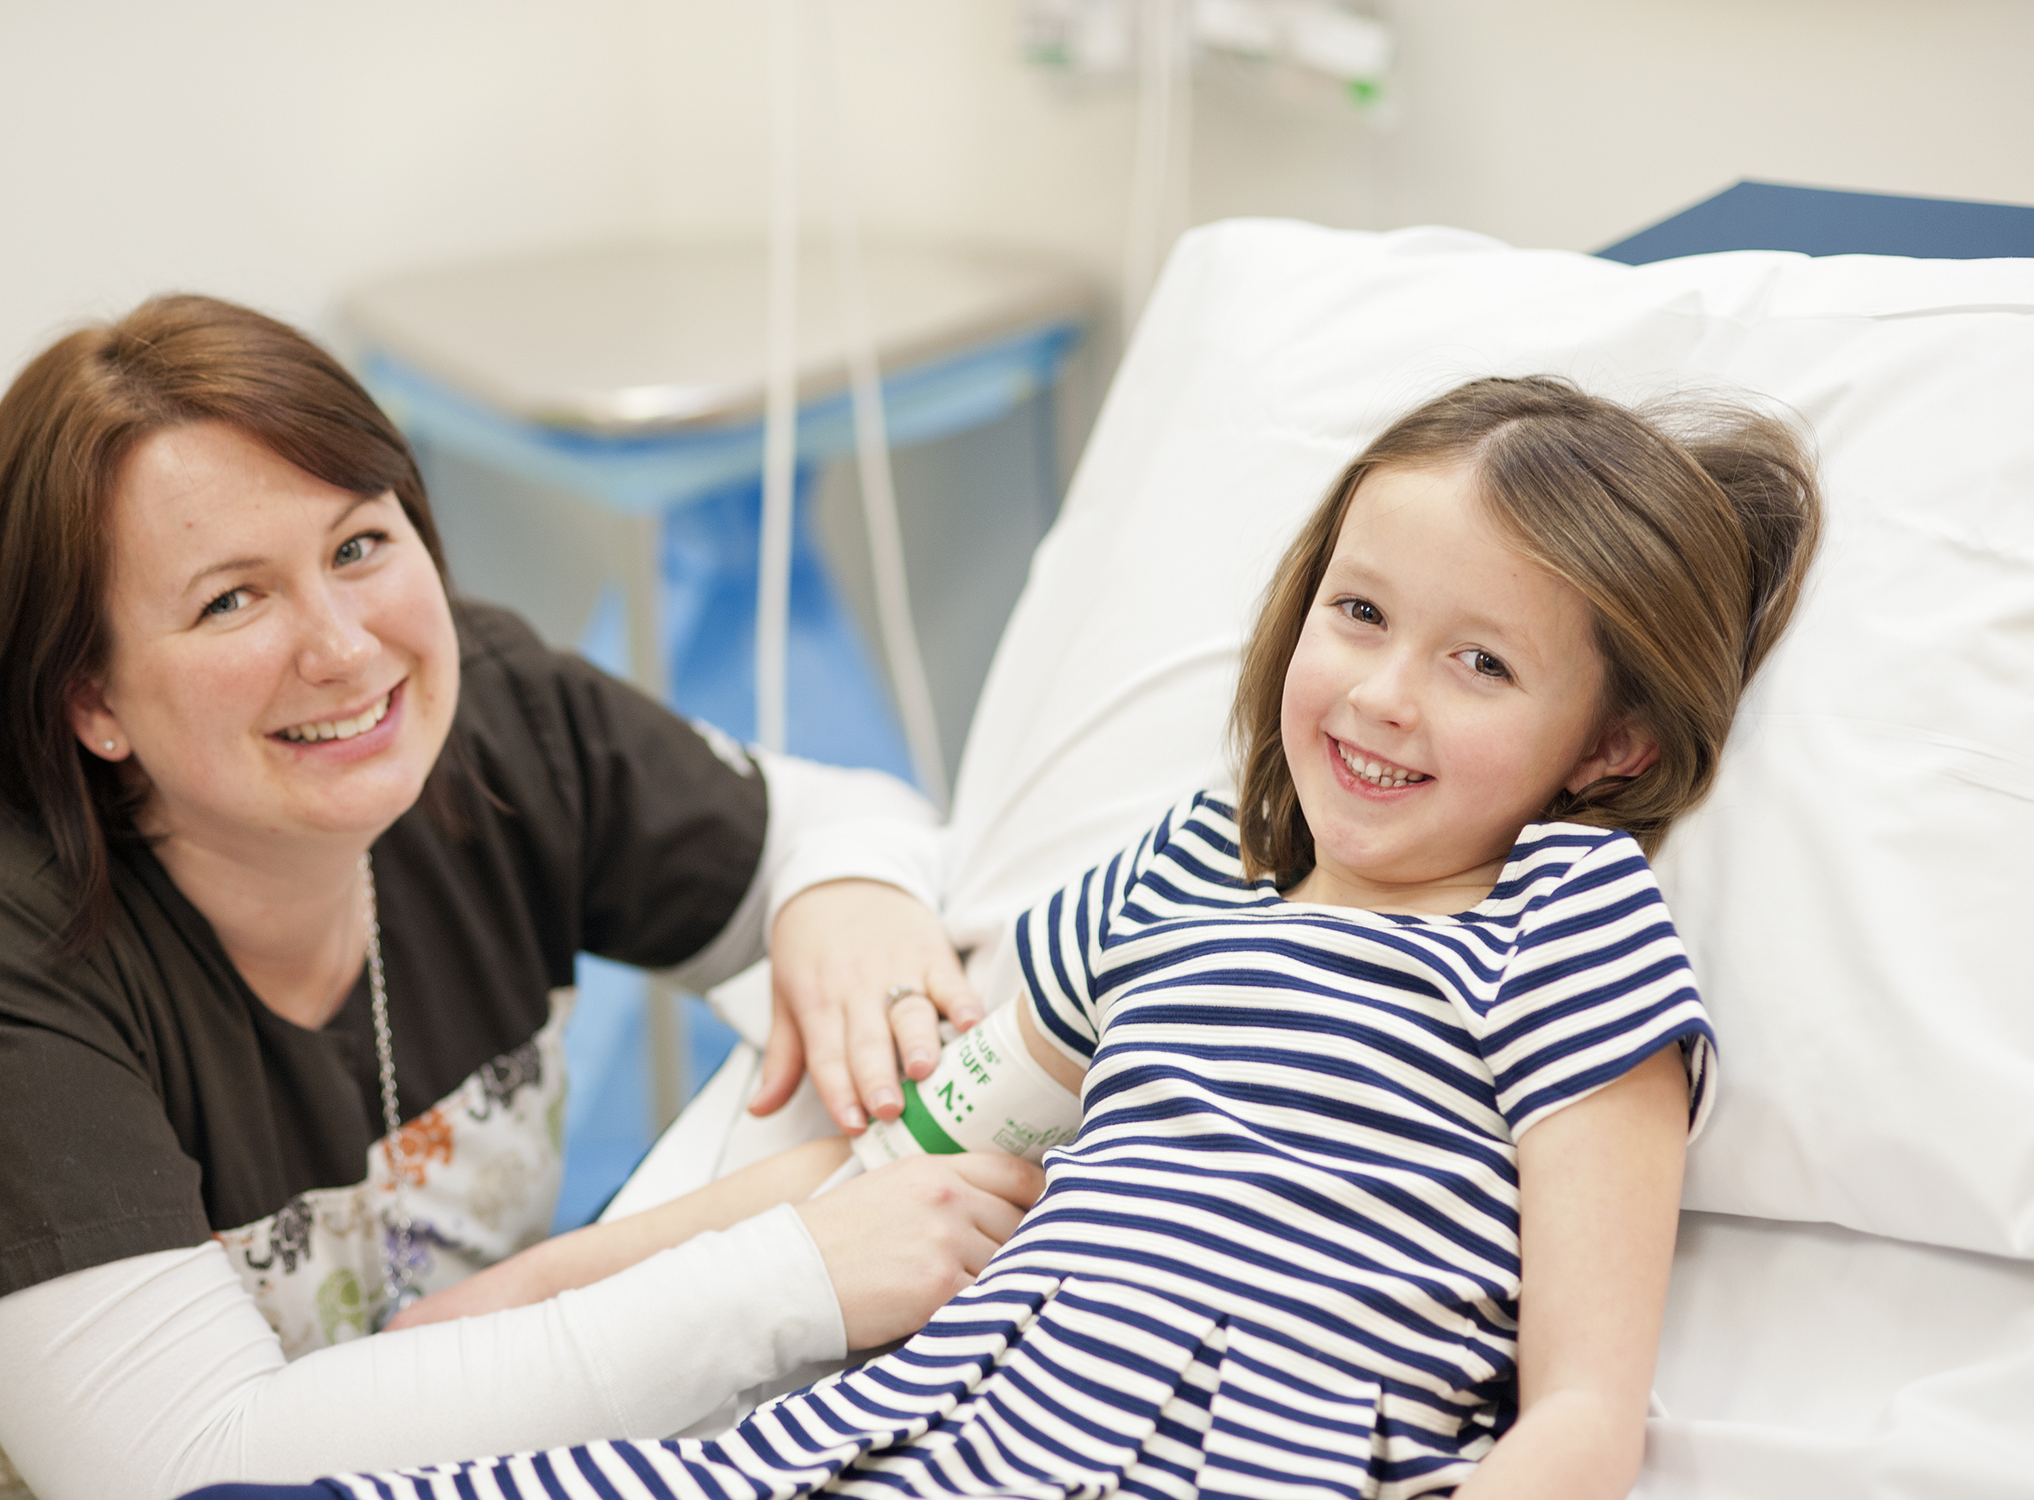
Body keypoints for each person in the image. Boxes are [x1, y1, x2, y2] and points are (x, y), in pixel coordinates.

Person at [215, 373, 1821, 1500]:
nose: (1386, 694)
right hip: (949, 1420)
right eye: (1360, 614)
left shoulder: (1566, 917)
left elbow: (1586, 1408)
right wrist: (545, 1283)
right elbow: (888, 1164)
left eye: (1483, 666)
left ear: (1608, 747)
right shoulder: (1185, 873)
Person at [0, 295, 1046, 1500]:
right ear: (90, 699)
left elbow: (840, 816)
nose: (343, 650)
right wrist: (791, 1275)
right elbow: (192, 1468)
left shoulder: (484, 725)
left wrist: (843, 893)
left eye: (359, 545)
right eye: (231, 599)